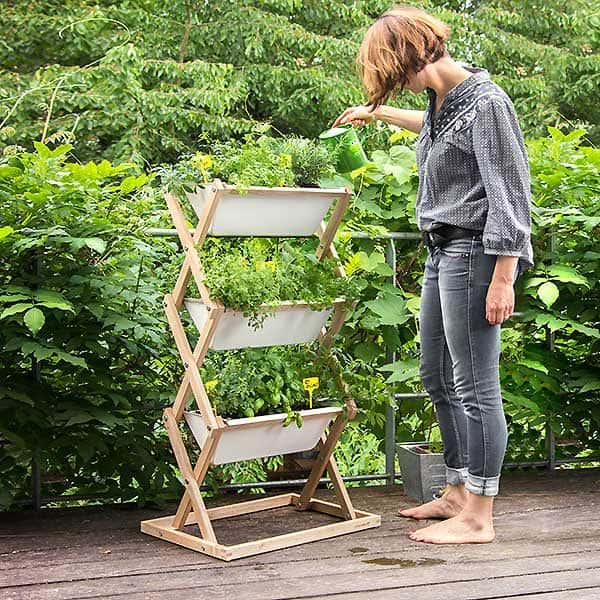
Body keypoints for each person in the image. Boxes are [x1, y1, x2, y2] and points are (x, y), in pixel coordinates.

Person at [333, 4, 534, 544]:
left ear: (410, 57)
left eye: (390, 73)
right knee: (436, 377)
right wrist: (375, 115)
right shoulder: (444, 100)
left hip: (475, 254)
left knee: (475, 385)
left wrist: (503, 277)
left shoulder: (488, 102)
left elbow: (511, 196)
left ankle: (479, 516)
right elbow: (437, 132)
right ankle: (455, 490)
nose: (393, 85)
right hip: (441, 252)